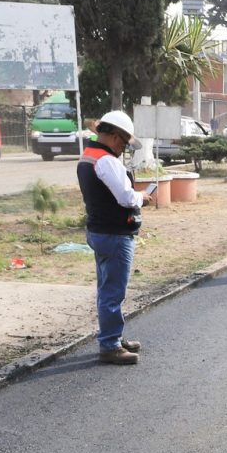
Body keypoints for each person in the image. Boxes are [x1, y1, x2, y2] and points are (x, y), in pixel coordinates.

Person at [78, 110, 147, 365]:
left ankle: (113, 337)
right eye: (124, 142)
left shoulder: (90, 155)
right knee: (112, 292)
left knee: (106, 288)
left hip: (99, 231)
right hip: (114, 234)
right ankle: (109, 345)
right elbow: (126, 198)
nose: (123, 148)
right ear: (116, 137)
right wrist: (143, 198)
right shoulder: (106, 160)